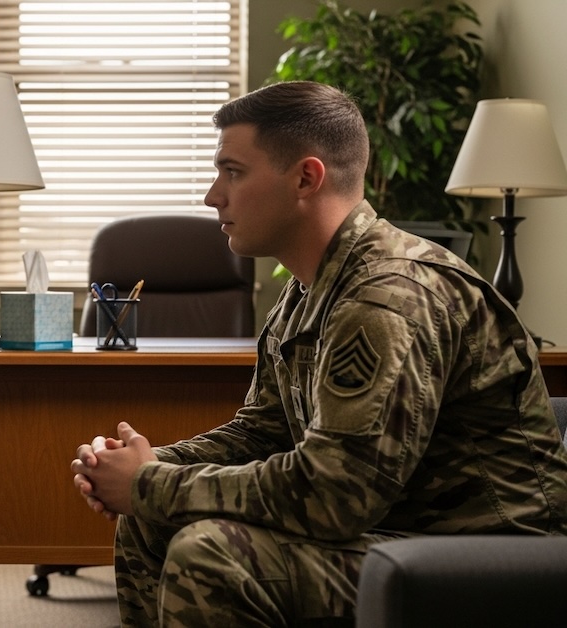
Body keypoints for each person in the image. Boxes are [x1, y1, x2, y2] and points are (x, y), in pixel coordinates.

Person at [71, 81, 567, 627]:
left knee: (212, 554)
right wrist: (149, 464)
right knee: (149, 519)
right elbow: (262, 431)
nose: (213, 195)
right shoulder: (309, 287)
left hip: (486, 558)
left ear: (306, 177)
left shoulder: (388, 294)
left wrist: (150, 483)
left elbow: (336, 494)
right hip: (396, 535)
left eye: (232, 171)